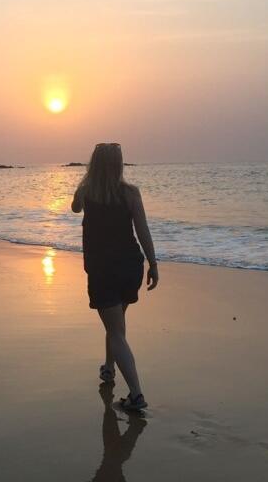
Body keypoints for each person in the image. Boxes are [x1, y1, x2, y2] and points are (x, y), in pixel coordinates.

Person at [72, 143, 158, 411]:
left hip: (102, 270)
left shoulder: (87, 191)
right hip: (131, 266)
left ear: (93, 164)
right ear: (119, 164)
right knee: (116, 325)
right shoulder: (131, 193)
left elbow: (74, 208)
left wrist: (85, 183)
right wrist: (153, 263)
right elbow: (143, 230)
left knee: (116, 332)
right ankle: (109, 368)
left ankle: (136, 395)